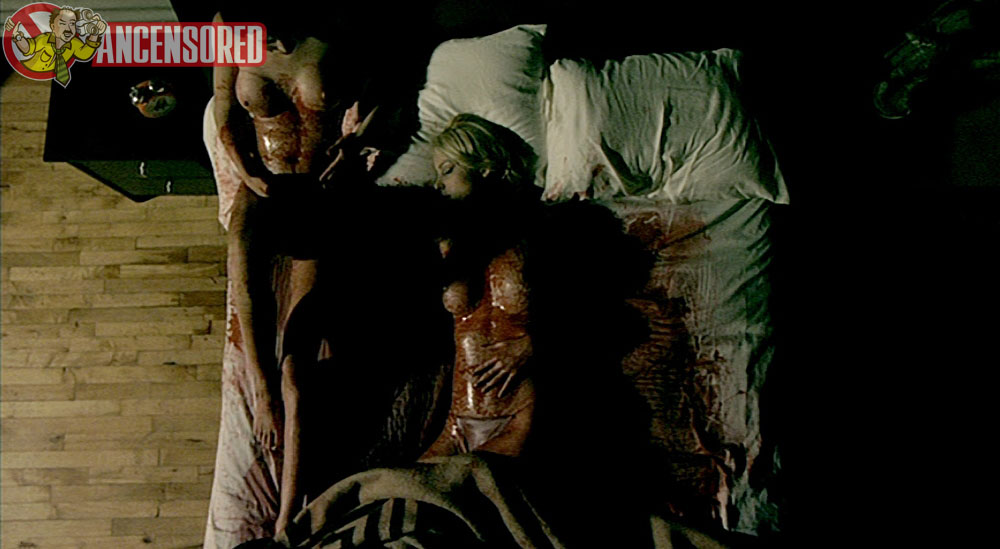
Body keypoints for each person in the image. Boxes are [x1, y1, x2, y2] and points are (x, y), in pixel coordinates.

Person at [420, 113, 544, 459]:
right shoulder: (447, 241)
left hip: (521, 420)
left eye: (447, 170)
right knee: (390, 489)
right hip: (457, 424)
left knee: (466, 482)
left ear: (485, 168)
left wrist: (529, 346)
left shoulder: (540, 228)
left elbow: (594, 308)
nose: (438, 184)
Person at [5, 7, 107, 86]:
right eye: (62, 24)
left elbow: (84, 53)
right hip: (26, 75)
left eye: (72, 24)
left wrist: (95, 33)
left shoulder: (74, 43)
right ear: (53, 27)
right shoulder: (44, 39)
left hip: (50, 81)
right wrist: (18, 37)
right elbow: (28, 48)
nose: (68, 29)